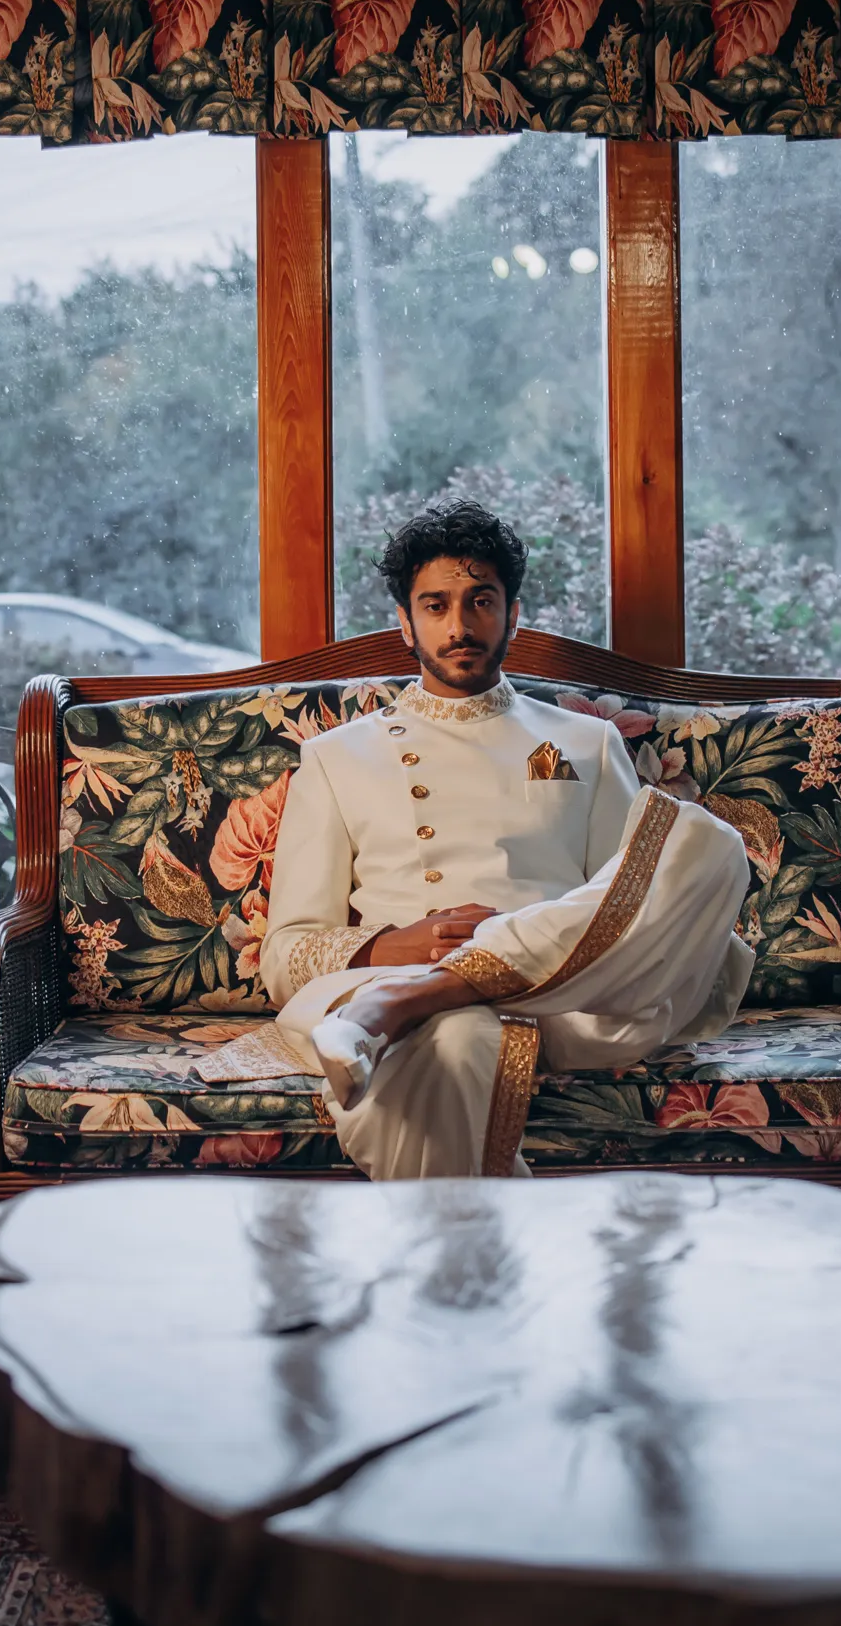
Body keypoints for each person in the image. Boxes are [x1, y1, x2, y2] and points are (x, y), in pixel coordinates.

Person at [257, 500, 753, 1179]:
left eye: (480, 602)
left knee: (708, 847)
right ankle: (419, 1008)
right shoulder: (338, 757)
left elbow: (626, 903)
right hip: (397, 974)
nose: (459, 626)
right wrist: (398, 945)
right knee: (460, 1033)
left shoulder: (584, 740)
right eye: (435, 606)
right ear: (404, 623)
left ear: (513, 615)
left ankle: (396, 1009)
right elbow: (284, 954)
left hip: (563, 996)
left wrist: (506, 940)